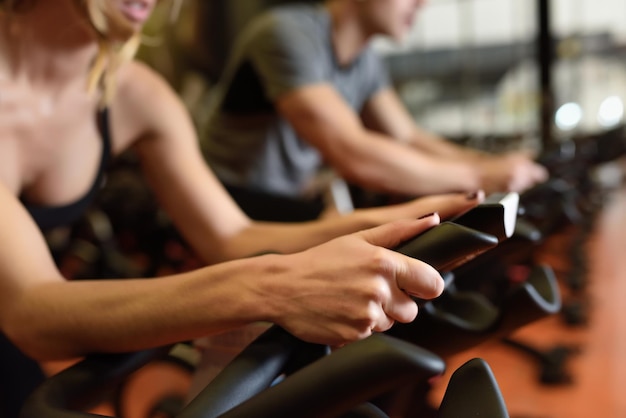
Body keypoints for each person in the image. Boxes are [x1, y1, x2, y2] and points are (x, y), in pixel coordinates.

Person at [0, 0, 484, 415]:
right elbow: (31, 311)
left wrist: (408, 222)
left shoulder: (135, 95)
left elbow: (232, 236)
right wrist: (274, 288)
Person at [200, 0, 549, 221]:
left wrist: (488, 165)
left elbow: (408, 136)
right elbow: (352, 152)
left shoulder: (365, 60)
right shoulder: (286, 33)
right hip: (225, 197)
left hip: (287, 196)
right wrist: (481, 179)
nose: (422, 4)